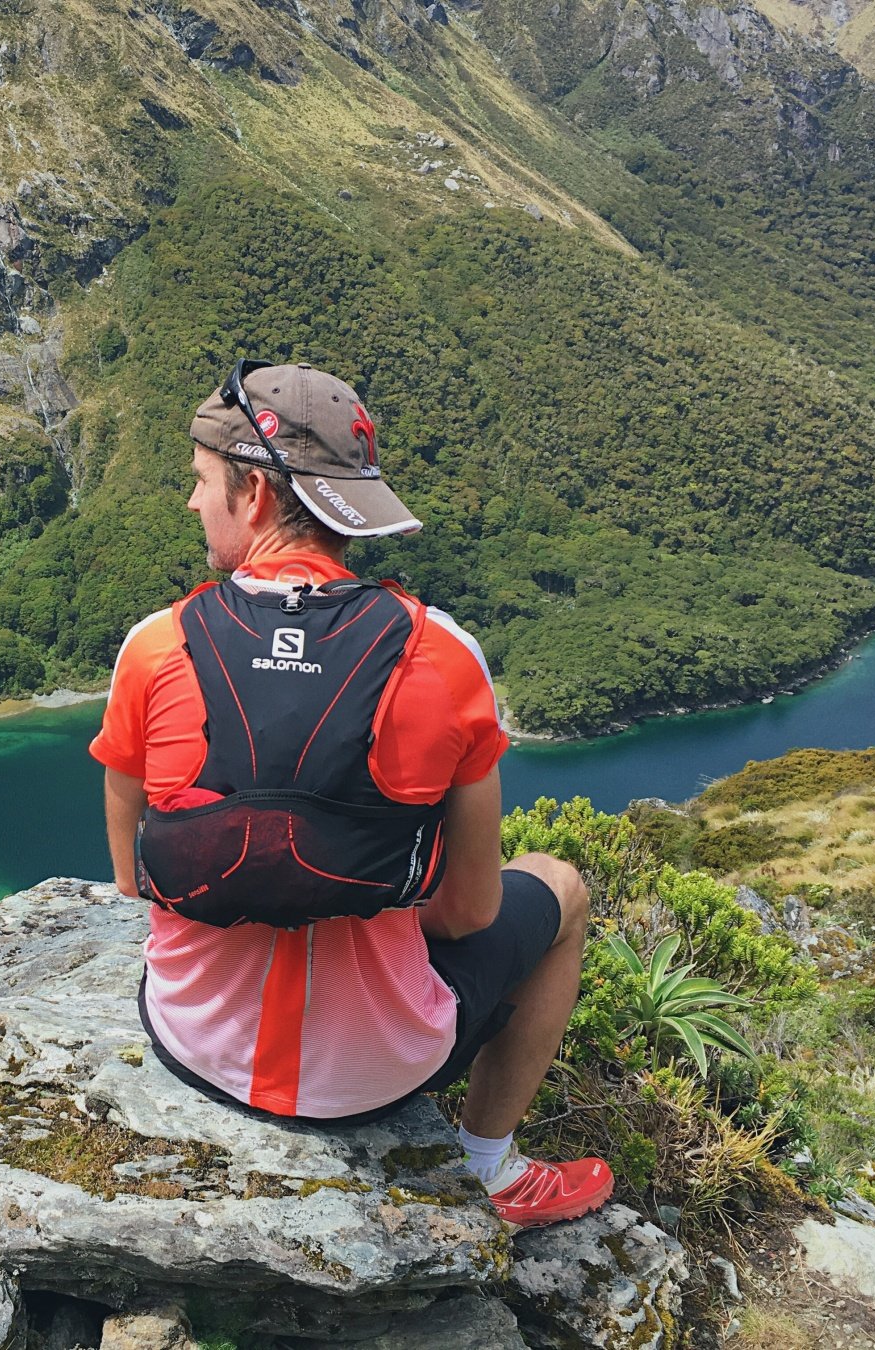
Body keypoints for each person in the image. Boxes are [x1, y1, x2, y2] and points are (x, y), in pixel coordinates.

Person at [89, 360, 612, 1229]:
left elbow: (132, 877)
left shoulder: (154, 646)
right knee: (560, 885)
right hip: (376, 1074)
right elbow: (470, 914)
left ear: (255, 492)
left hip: (194, 1043)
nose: (192, 502)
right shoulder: (443, 655)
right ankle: (488, 1167)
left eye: (202, 481)